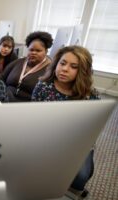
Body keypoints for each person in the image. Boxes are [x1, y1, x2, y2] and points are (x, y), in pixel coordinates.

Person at [31, 45, 99, 198]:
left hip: (77, 142)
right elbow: (33, 120)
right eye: (62, 63)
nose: (65, 69)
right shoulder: (43, 86)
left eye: (73, 66)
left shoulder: (90, 94)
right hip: (45, 139)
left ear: (82, 71)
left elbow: (92, 128)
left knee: (81, 176)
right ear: (56, 64)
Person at [0, 31, 53, 102]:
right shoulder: (18, 62)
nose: (33, 53)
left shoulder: (49, 70)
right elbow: (1, 78)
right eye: (31, 50)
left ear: (46, 51)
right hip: (4, 100)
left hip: (26, 107)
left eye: (38, 50)